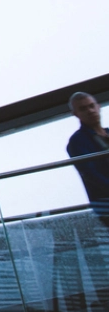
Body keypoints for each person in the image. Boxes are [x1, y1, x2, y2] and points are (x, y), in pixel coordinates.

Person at [69, 93, 109, 225]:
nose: (90, 111)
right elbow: (90, 174)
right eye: (83, 108)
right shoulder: (77, 141)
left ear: (98, 107)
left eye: (91, 106)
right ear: (76, 114)